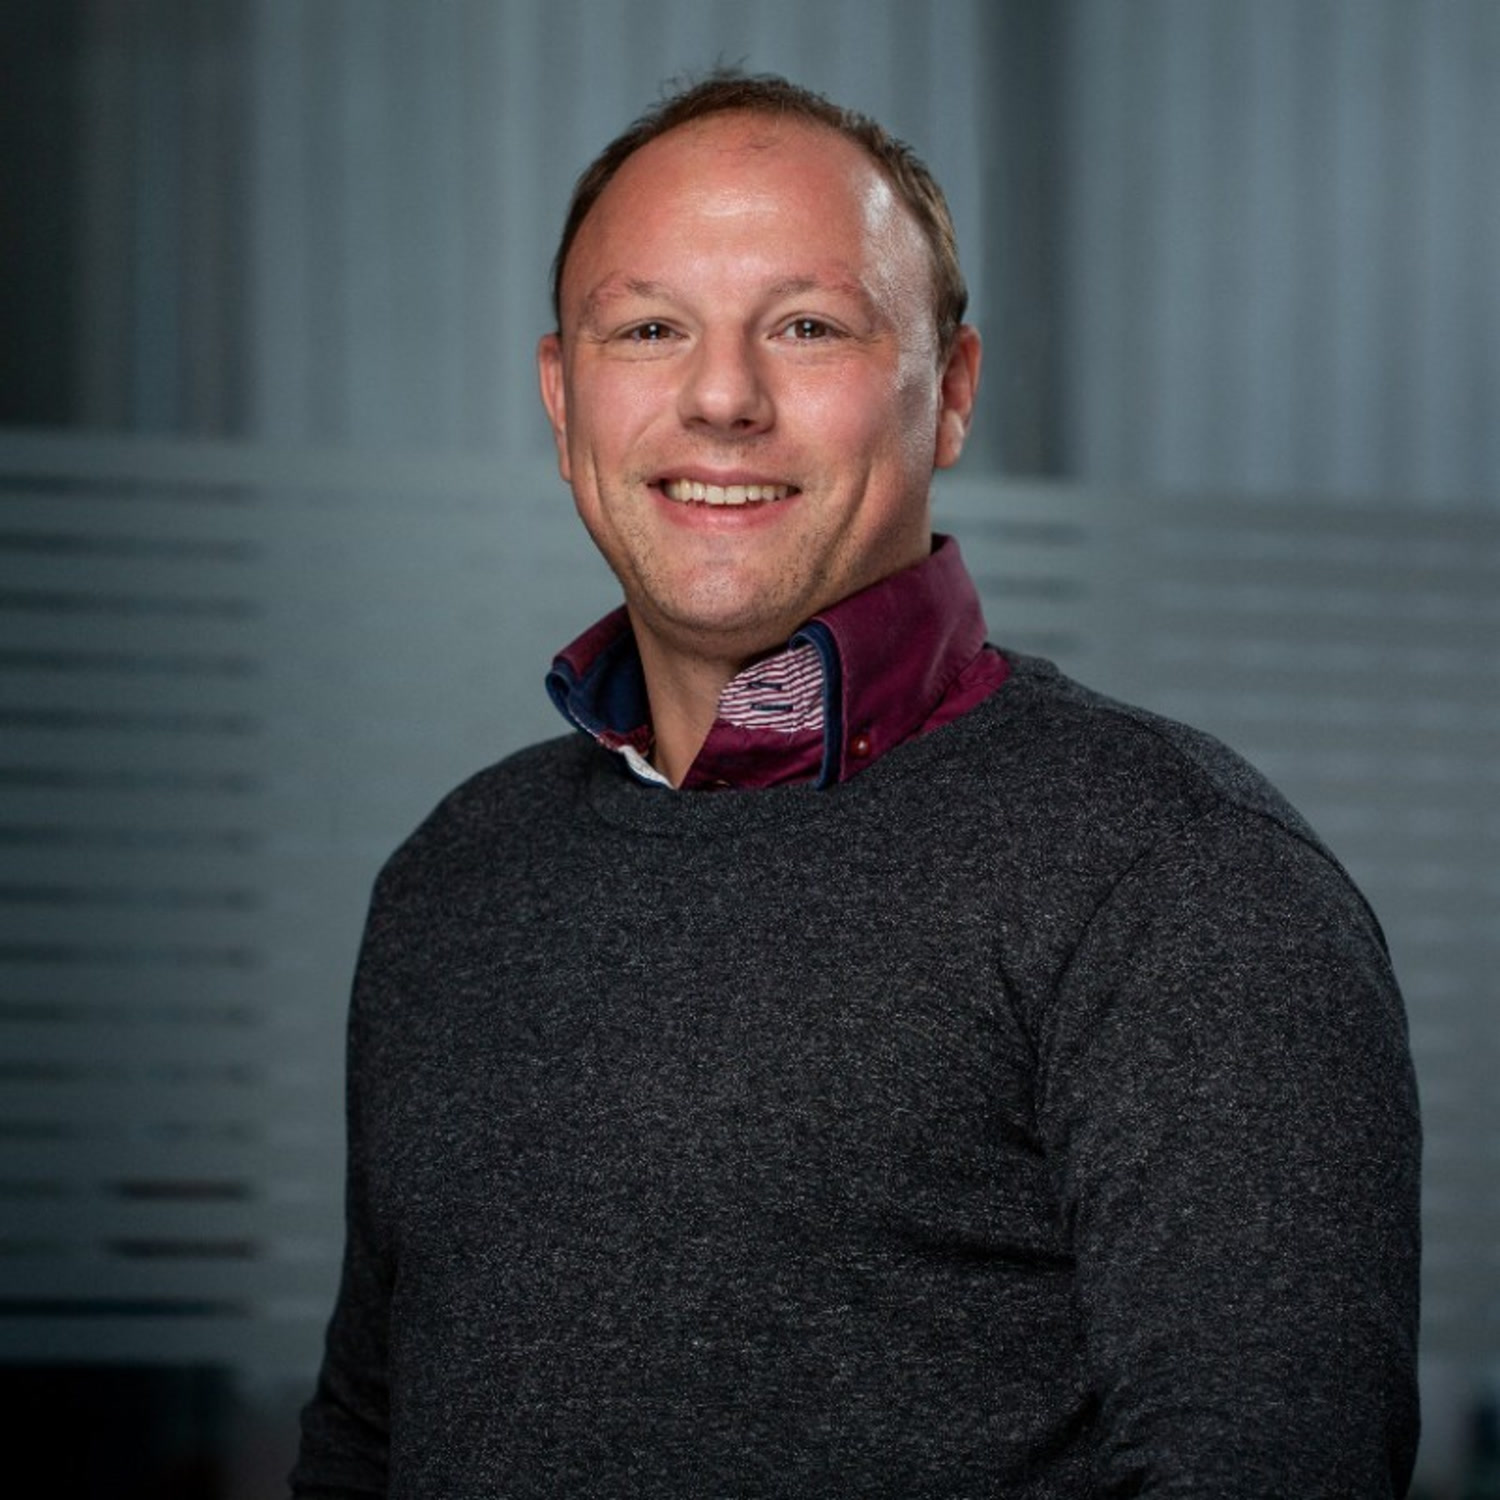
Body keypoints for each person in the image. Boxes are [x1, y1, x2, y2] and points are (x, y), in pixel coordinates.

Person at [291, 72, 1420, 1498]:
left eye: (808, 327)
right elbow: (365, 1446)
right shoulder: (457, 873)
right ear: (564, 398)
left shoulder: (1179, 873)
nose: (721, 399)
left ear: (948, 393)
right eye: (649, 329)